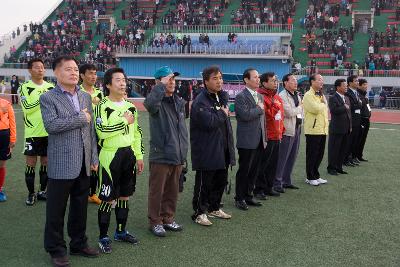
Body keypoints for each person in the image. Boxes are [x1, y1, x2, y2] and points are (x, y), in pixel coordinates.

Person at [40, 56, 99, 267]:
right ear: (56, 73)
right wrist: (80, 119)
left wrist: (93, 157)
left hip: (84, 163)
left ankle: (78, 243)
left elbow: (90, 130)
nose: (74, 73)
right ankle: (56, 249)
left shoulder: (84, 97)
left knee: (79, 207)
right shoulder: (49, 98)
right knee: (55, 211)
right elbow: (52, 126)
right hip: (62, 164)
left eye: (75, 69)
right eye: (68, 69)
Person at [94, 67, 144, 253]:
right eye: (118, 80)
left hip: (128, 155)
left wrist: (139, 155)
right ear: (108, 84)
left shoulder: (130, 106)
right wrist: (123, 121)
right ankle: (103, 237)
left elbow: (137, 133)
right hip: (109, 156)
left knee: (124, 195)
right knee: (108, 198)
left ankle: (121, 232)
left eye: (124, 80)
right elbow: (101, 132)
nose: (123, 83)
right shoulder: (101, 106)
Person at [144, 66, 189, 237]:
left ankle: (168, 218)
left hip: (177, 154)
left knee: (172, 190)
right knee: (157, 191)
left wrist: (183, 152)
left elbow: (181, 130)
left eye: (173, 79)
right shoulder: (156, 101)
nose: (171, 82)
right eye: (167, 79)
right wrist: (160, 87)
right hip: (161, 154)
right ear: (158, 82)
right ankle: (155, 221)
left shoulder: (178, 101)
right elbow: (149, 104)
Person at [190, 65, 235, 226]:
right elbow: (209, 123)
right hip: (206, 150)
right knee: (204, 183)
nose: (219, 81)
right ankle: (199, 212)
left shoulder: (219, 97)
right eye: (215, 78)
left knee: (220, 180)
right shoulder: (200, 101)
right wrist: (222, 112)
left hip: (222, 148)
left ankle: (214, 207)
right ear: (206, 81)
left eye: (220, 78)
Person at [19, 58, 54, 205]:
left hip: (48, 132)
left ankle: (42, 191)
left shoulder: (51, 87)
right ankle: (31, 193)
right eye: (37, 67)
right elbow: (27, 107)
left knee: (46, 162)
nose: (40, 69)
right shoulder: (24, 87)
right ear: (30, 70)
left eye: (42, 67)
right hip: (32, 133)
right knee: (31, 163)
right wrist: (42, 98)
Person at [234, 68, 266, 210]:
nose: (258, 79)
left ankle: (248, 195)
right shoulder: (241, 96)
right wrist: (259, 109)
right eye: (255, 77)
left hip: (259, 139)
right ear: (246, 80)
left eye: (258, 77)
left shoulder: (259, 96)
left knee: (254, 169)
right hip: (246, 140)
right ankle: (239, 198)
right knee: (244, 170)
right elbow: (245, 115)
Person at [254, 72, 285, 196]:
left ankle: (269, 187)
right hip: (267, 136)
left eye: (276, 80)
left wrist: (281, 130)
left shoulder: (277, 97)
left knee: (273, 164)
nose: (275, 83)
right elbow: (266, 115)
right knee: (263, 164)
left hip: (277, 135)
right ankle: (259, 189)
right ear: (264, 83)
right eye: (272, 80)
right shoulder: (260, 96)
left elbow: (281, 116)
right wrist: (275, 107)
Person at [80, 63, 104, 205]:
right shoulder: (76, 92)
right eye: (90, 73)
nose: (93, 76)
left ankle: (93, 193)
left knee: (96, 164)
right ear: (82, 75)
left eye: (95, 73)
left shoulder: (99, 93)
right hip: (82, 134)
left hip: (97, 134)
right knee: (83, 164)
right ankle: (81, 192)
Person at [274, 73, 302, 191]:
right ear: (285, 82)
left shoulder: (297, 95)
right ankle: (277, 183)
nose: (296, 82)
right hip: (287, 130)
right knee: (283, 157)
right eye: (293, 80)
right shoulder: (282, 95)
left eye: (296, 80)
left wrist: (299, 109)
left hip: (297, 128)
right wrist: (300, 108)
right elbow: (289, 112)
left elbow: (296, 112)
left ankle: (286, 180)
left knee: (292, 156)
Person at [303, 74, 329, 186]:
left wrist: (322, 104)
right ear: (312, 82)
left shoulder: (321, 95)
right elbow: (315, 109)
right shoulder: (308, 95)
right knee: (312, 154)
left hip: (322, 129)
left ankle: (316, 175)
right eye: (319, 80)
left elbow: (324, 108)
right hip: (313, 130)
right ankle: (310, 177)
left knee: (319, 154)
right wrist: (323, 104)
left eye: (322, 80)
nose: (321, 82)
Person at [327, 79, 351, 176]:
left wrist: (350, 126)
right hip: (336, 129)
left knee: (342, 149)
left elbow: (348, 114)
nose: (346, 87)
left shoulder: (345, 97)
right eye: (344, 85)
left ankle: (339, 167)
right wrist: (344, 107)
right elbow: (333, 110)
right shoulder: (333, 97)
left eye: (346, 85)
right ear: (338, 87)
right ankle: (331, 168)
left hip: (345, 128)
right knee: (334, 149)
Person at [0, 98, 16, 202]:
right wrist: (1, 111)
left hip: (4, 136)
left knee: (1, 165)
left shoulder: (6, 103)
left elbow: (12, 121)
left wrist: (13, 138)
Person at [344, 75, 361, 167]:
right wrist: (358, 104)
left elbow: (358, 105)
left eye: (358, 81)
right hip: (351, 120)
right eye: (356, 81)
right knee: (349, 141)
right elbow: (352, 106)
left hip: (357, 120)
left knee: (354, 141)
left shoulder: (356, 92)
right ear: (350, 83)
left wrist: (358, 104)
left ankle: (350, 158)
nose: (358, 82)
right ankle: (346, 159)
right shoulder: (348, 93)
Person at [355, 78, 371, 162]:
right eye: (364, 84)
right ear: (359, 85)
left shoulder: (365, 95)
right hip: (360, 120)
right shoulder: (357, 95)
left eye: (366, 84)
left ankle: (359, 155)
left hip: (366, 119)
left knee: (363, 139)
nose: (366, 86)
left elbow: (367, 106)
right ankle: (355, 156)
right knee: (358, 139)